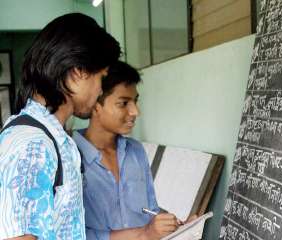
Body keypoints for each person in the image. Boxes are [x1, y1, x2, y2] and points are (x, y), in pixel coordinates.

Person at [0, 13, 120, 240]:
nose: (101, 91)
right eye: (101, 79)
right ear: (78, 73)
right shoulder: (33, 144)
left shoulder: (55, 140)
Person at [73, 61, 192, 240]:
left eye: (135, 101)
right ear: (96, 105)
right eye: (123, 103)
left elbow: (150, 210)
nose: (135, 111)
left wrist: (177, 225)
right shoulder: (70, 156)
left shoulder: (135, 151)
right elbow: (71, 233)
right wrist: (144, 234)